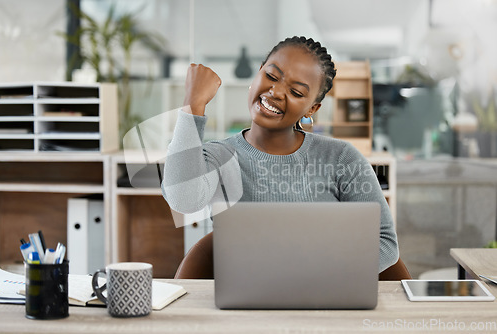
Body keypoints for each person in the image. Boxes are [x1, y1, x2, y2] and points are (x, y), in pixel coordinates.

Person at [162, 36, 399, 272]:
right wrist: (193, 103)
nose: (276, 92)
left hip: (323, 302)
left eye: (296, 92)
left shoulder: (341, 158)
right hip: (247, 304)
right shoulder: (219, 156)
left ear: (312, 108)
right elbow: (182, 198)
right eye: (271, 76)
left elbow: (384, 242)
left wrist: (316, 273)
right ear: (259, 72)